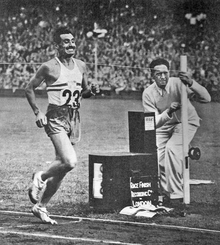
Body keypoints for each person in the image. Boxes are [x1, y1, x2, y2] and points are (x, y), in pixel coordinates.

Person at [25, 27, 99, 224]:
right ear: (57, 46)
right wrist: (37, 111)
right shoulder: (49, 67)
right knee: (70, 161)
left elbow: (83, 92)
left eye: (72, 41)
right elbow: (29, 88)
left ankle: (40, 207)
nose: (71, 44)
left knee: (62, 169)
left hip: (74, 118)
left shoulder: (81, 66)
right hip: (56, 117)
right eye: (65, 41)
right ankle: (40, 176)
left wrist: (91, 91)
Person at [142, 58, 211, 205]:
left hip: (186, 121)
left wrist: (192, 83)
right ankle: (165, 193)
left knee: (172, 149)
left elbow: (206, 98)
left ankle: (176, 195)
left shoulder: (178, 83)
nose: (163, 77)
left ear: (169, 72)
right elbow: (154, 122)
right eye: (158, 74)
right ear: (152, 76)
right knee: (157, 156)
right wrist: (169, 111)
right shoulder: (148, 93)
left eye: (165, 73)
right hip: (164, 124)